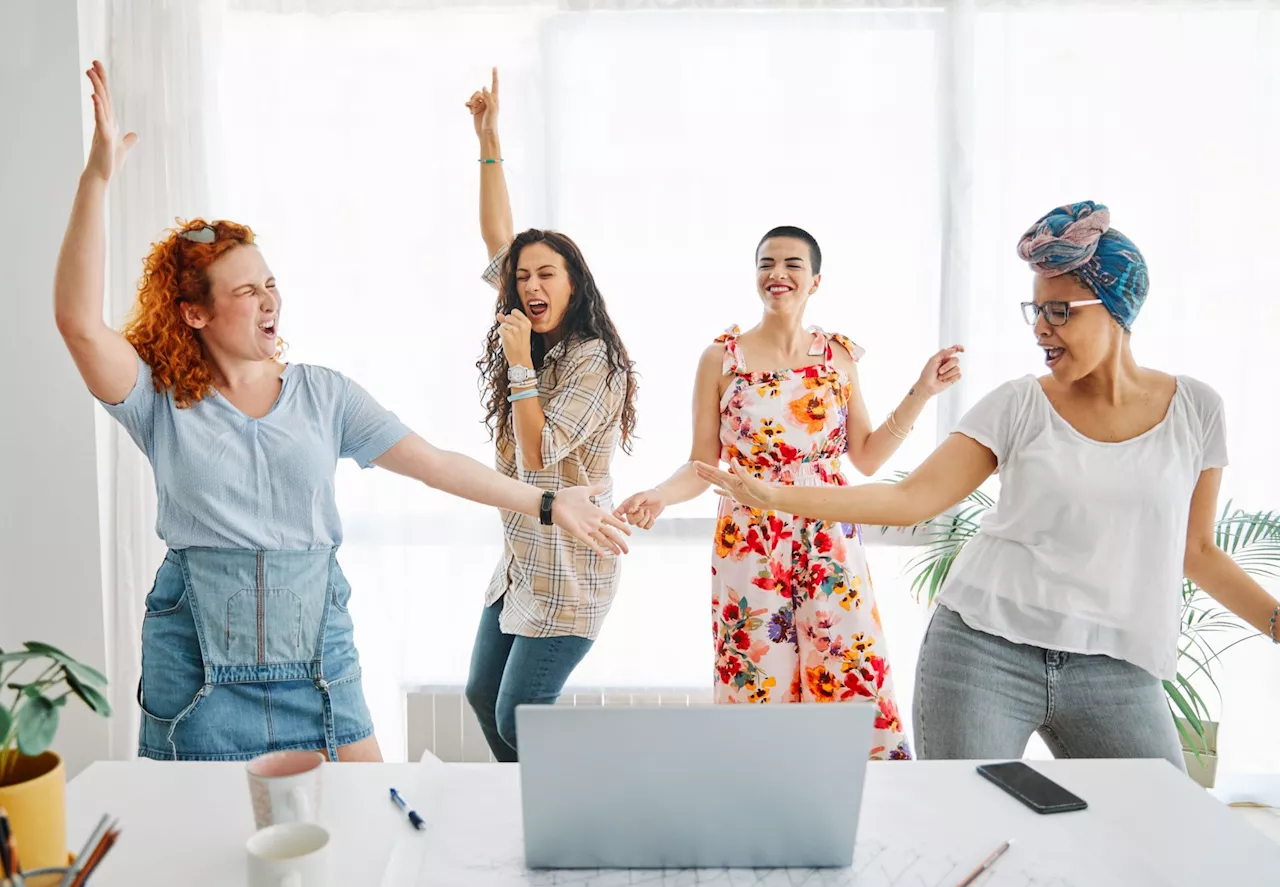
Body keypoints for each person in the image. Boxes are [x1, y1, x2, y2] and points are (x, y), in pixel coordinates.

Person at [54, 61, 630, 763]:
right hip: (198, 669)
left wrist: (549, 505)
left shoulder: (325, 394)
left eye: (271, 283)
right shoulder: (158, 402)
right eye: (245, 291)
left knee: (369, 826)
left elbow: (436, 465)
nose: (269, 299)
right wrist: (98, 175)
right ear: (194, 312)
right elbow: (80, 323)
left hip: (318, 661)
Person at [695, 201, 1280, 767]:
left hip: (1116, 662)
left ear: (1114, 307)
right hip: (983, 649)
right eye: (1035, 311)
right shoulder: (1019, 404)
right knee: (965, 831)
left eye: (1060, 311)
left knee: (1162, 841)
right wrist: (771, 495)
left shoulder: (1197, 409)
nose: (1041, 329)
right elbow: (908, 498)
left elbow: (1197, 551)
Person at [615, 224, 962, 761]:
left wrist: (922, 392)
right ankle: (762, 804)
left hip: (828, 528)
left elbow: (866, 456)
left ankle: (862, 800)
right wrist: (660, 494)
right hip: (750, 536)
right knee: (757, 672)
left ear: (815, 280)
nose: (777, 274)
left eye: (792, 264)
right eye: (766, 263)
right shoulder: (721, 359)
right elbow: (702, 463)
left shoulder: (838, 357)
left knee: (846, 662)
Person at [463, 69, 639, 761]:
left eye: (547, 275)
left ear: (575, 285)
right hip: (521, 561)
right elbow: (497, 234)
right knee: (482, 696)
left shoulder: (595, 361)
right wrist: (488, 140)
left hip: (571, 573)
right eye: (523, 276)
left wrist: (519, 367)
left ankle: (571, 807)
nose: (530, 285)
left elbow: (538, 459)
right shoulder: (528, 335)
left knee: (518, 719)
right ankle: (525, 809)